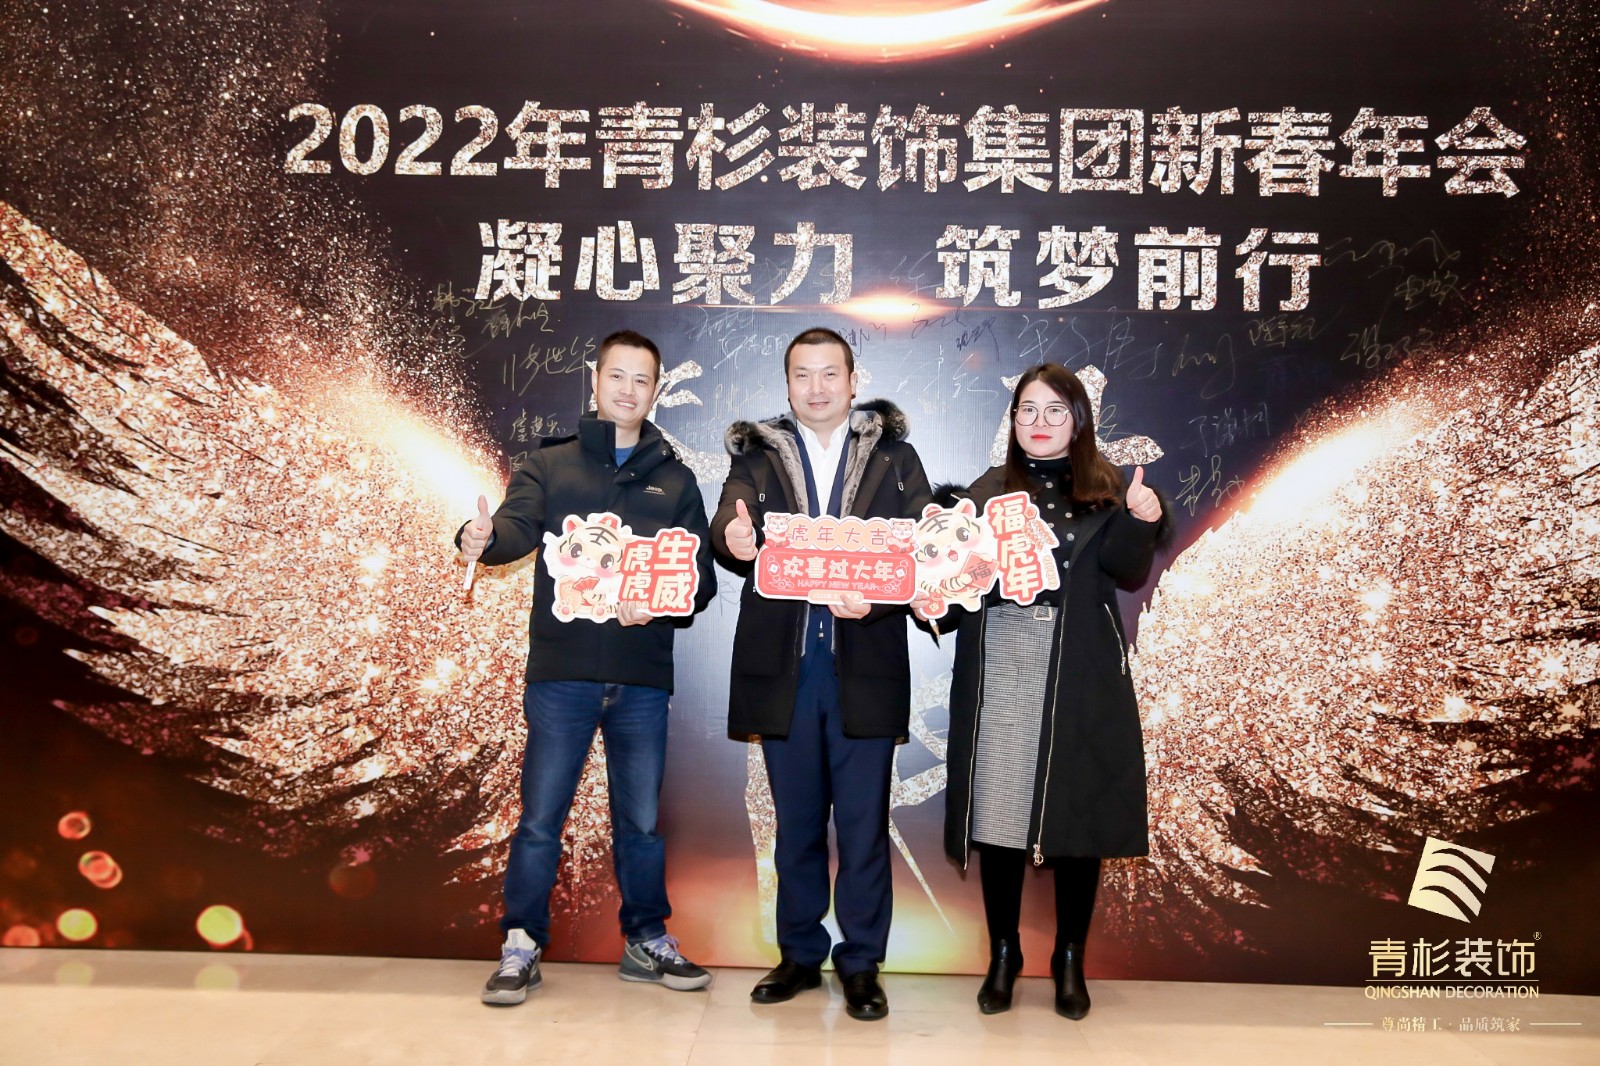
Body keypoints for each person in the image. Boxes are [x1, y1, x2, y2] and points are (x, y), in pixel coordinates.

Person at [457, 330, 717, 1007]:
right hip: (562, 673)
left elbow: (701, 580)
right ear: (595, 381)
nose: (628, 390)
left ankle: (646, 938)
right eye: (617, 376)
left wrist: (659, 603)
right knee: (541, 817)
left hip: (641, 677)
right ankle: (521, 944)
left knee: (641, 823)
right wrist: (480, 538)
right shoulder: (550, 465)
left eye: (642, 380)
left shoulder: (676, 478)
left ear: (655, 392)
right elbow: (513, 530)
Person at [930, 362, 1169, 1019]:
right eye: (1027, 411)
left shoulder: (1108, 488)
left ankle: (1070, 958)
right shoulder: (982, 495)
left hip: (1079, 667)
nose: (1039, 423)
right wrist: (932, 590)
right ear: (1013, 420)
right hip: (1003, 661)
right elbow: (950, 594)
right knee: (999, 813)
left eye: (1055, 411)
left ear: (1079, 421)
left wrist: (1141, 519)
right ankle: (1004, 954)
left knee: (1077, 818)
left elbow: (1126, 571)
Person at [712, 327, 933, 1021]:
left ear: (852, 380)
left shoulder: (896, 457)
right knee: (797, 826)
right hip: (787, 670)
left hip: (864, 666)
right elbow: (727, 522)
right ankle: (800, 955)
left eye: (829, 373)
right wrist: (733, 538)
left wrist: (881, 598)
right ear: (787, 385)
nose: (816, 387)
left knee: (864, 828)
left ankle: (862, 963)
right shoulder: (756, 455)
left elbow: (923, 547)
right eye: (802, 374)